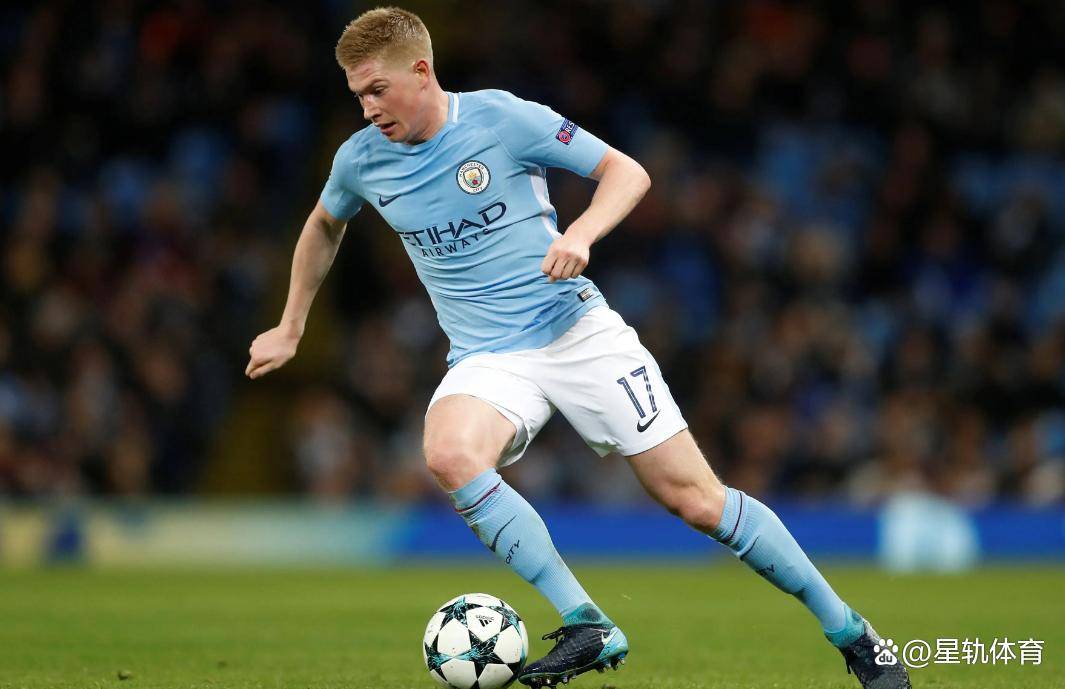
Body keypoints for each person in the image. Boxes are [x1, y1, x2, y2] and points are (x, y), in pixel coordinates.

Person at [245, 7, 910, 689]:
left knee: (695, 500)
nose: (367, 109)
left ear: (421, 71)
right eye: (358, 95)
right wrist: (291, 324)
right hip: (487, 356)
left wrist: (581, 234)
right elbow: (323, 224)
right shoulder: (360, 159)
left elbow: (627, 172)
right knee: (448, 453)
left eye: (377, 90)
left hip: (575, 333)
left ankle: (852, 633)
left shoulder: (502, 119)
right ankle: (587, 621)